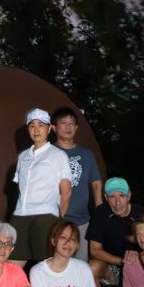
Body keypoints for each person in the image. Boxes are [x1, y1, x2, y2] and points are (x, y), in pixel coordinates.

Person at [9, 108, 71, 267]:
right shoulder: (22, 156)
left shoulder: (58, 155)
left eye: (41, 125)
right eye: (32, 126)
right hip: (19, 216)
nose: (36, 130)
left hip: (45, 217)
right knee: (11, 267)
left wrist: (59, 222)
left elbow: (66, 192)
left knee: (44, 267)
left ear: (49, 128)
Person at [52, 109, 102, 256]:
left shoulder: (86, 154)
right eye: (63, 123)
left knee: (81, 265)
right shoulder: (48, 153)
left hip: (82, 221)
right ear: (54, 128)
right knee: (55, 264)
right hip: (55, 221)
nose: (68, 127)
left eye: (71, 124)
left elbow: (97, 183)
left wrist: (99, 213)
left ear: (76, 128)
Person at [87, 177, 144, 287]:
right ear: (106, 198)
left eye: (122, 196)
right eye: (112, 197)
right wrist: (123, 262)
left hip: (138, 264)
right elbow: (94, 250)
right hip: (113, 267)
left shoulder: (141, 214)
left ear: (129, 196)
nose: (118, 202)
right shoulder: (101, 212)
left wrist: (138, 260)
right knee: (92, 267)